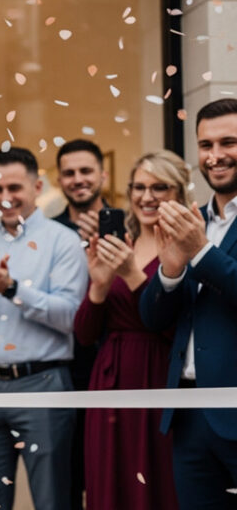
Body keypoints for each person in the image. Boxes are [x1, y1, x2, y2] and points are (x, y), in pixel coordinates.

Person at [0, 147, 87, 510]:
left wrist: (12, 289)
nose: (5, 198)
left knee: (52, 500)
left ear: (37, 186)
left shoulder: (63, 241)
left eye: (14, 187)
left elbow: (71, 316)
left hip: (44, 385)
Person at [140, 98, 237, 508]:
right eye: (205, 145)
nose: (215, 156)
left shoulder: (193, 232)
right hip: (188, 413)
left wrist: (201, 252)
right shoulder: (189, 218)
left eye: (228, 142)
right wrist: (171, 271)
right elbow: (153, 317)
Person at [74, 151, 185, 510]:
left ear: (179, 193)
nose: (146, 197)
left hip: (158, 374)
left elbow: (173, 326)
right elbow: (85, 335)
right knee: (110, 480)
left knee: (156, 481)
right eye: (139, 187)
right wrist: (99, 287)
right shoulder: (122, 243)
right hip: (109, 378)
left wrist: (132, 276)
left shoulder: (186, 246)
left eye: (159, 187)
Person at [50, 138, 108, 510]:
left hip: (112, 363)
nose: (78, 179)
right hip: (62, 367)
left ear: (102, 174)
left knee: (110, 472)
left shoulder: (127, 222)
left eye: (86, 171)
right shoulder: (48, 233)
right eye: (69, 173)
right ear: (59, 179)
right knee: (65, 474)